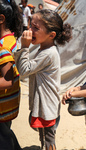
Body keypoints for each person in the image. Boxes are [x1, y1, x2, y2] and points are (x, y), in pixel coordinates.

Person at [14, 9, 72, 150]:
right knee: (44, 137)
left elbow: (24, 70)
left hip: (47, 107)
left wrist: (25, 47)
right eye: (30, 25)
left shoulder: (48, 53)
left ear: (51, 35)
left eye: (36, 28)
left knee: (48, 139)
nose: (30, 30)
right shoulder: (45, 49)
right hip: (46, 106)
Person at [0, 0, 23, 149]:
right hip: (10, 103)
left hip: (2, 105)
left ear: (1, 19)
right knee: (5, 132)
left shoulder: (3, 46)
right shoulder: (12, 39)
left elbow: (7, 81)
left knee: (2, 138)